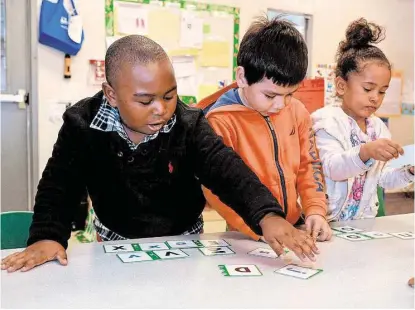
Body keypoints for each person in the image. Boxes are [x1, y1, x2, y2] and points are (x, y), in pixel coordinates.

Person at [1, 35, 319, 273]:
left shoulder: (188, 123)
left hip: (184, 237)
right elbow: (59, 184)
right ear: (112, 94)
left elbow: (227, 170)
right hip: (116, 237)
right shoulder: (81, 124)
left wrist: (268, 215)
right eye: (145, 101)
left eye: (169, 96)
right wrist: (47, 236)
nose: (161, 110)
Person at [197, 16, 331, 242]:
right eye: (270, 95)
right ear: (242, 77)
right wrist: (261, 230)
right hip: (247, 234)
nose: (281, 104)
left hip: (295, 227)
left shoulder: (297, 112)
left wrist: (315, 210)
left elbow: (309, 165)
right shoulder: (220, 121)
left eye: (290, 94)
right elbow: (216, 189)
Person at [311, 18, 414, 221]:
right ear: (341, 86)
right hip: (327, 221)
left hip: (361, 223)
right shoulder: (326, 121)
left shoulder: (378, 128)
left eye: (382, 91)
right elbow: (332, 168)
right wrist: (366, 151)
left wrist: (409, 171)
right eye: (367, 89)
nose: (375, 97)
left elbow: (382, 178)